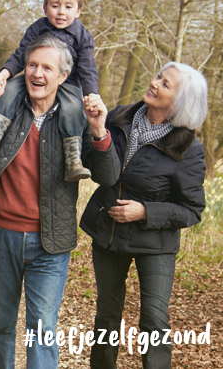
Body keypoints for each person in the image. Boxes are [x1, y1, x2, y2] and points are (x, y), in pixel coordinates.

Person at [0, 33, 120, 369]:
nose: (37, 74)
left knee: (42, 330)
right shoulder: (7, 105)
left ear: (63, 76)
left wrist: (100, 130)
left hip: (50, 243)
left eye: (46, 67)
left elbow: (109, 175)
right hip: (0, 236)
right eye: (31, 65)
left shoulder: (77, 117)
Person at [80, 62, 207, 369]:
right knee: (107, 314)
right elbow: (91, 163)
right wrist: (96, 130)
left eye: (165, 84)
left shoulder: (189, 148)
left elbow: (192, 210)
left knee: (154, 318)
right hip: (109, 231)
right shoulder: (119, 116)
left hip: (155, 243)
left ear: (180, 101)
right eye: (158, 77)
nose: (154, 83)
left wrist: (145, 212)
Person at [0, 0, 99, 182]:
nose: (61, 12)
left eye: (68, 7)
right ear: (45, 8)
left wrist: (91, 94)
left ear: (78, 11)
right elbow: (21, 54)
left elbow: (87, 67)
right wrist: (5, 73)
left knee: (74, 107)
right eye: (55, 6)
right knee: (9, 90)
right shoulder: (38, 28)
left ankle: (73, 159)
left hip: (69, 80)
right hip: (31, 74)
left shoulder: (83, 35)